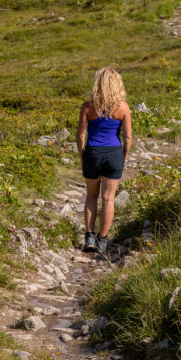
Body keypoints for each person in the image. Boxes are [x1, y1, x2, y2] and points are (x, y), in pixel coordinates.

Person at [76, 67, 132, 255]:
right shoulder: (123, 107)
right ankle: (103, 240)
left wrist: (81, 155)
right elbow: (128, 138)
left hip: (92, 153)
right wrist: (122, 157)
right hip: (113, 154)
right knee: (108, 199)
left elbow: (81, 135)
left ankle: (89, 237)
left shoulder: (88, 107)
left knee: (91, 196)